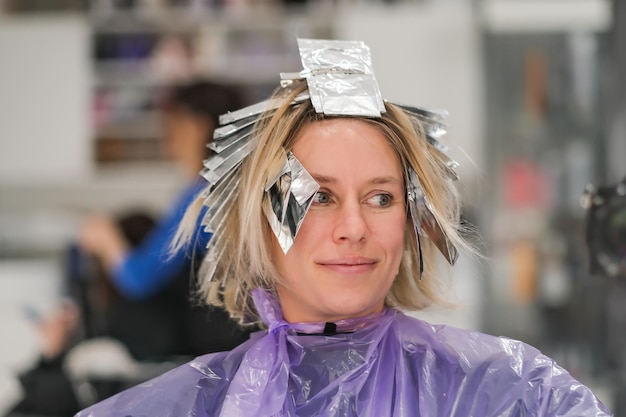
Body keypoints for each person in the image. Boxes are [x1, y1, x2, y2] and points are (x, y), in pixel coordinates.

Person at [76, 39, 612, 416]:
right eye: (321, 196)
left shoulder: (507, 392)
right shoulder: (185, 407)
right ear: (260, 220)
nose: (354, 227)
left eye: (381, 197)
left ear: (411, 217)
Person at [78, 80, 254, 358]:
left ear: (197, 127)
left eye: (173, 127)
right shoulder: (248, 184)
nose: (168, 139)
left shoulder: (204, 195)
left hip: (230, 342)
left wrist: (106, 239)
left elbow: (138, 278)